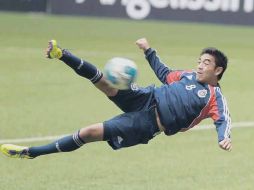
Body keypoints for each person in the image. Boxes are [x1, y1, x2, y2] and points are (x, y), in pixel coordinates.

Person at [0, 38, 232, 159]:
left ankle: (31, 153)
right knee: (104, 82)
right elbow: (164, 73)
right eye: (200, 60)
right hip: (145, 96)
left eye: (206, 63)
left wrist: (223, 137)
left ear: (218, 70)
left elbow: (223, 120)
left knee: (88, 133)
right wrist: (148, 50)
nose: (199, 65)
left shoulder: (214, 97)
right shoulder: (187, 75)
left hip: (148, 124)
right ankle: (62, 54)